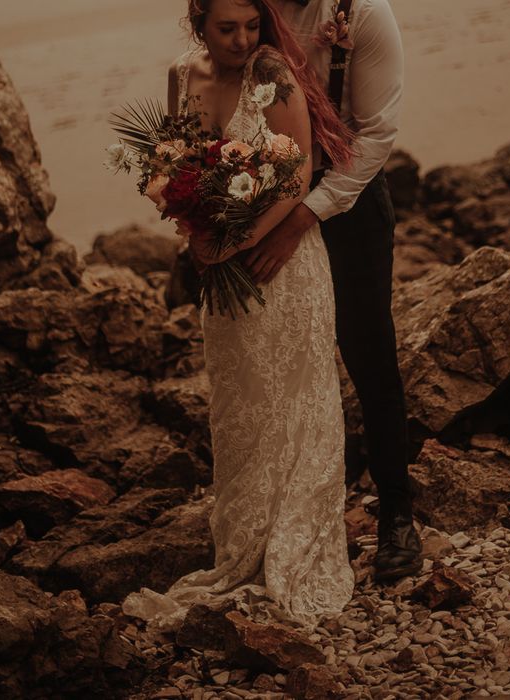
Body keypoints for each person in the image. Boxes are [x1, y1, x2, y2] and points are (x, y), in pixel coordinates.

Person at [121, 0, 358, 633]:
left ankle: (296, 543)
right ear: (198, 22)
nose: (242, 39)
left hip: (281, 264)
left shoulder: (273, 73)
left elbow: (297, 173)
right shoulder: (181, 75)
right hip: (219, 270)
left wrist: (238, 242)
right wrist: (190, 225)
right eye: (227, 28)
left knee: (295, 404)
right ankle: (242, 545)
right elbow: (174, 165)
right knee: (241, 404)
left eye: (251, 25)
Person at [245, 0, 422, 582]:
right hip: (267, 199)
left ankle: (397, 513)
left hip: (348, 199)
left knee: (370, 355)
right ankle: (301, 519)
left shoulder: (364, 13)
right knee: (285, 359)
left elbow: (375, 136)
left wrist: (304, 218)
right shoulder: (251, 10)